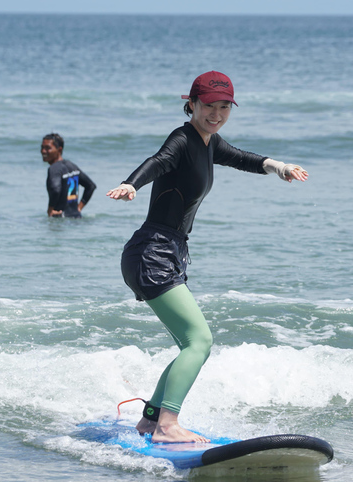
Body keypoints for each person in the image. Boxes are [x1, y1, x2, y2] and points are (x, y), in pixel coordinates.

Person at [106, 71, 308, 443]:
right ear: (192, 104)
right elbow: (158, 161)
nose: (216, 114)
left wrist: (280, 167)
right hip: (153, 253)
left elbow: (244, 158)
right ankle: (168, 425)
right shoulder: (183, 138)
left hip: (165, 252)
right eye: (209, 106)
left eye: (224, 107)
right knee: (200, 341)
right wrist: (130, 183)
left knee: (190, 344)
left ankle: (151, 419)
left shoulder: (209, 142)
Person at [41, 133, 96, 218]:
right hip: (76, 217)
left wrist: (50, 209)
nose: (43, 151)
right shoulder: (71, 166)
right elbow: (91, 186)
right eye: (42, 147)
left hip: (60, 218)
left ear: (59, 150)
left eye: (48, 148)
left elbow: (55, 189)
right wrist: (79, 208)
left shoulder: (54, 168)